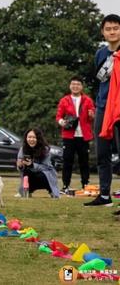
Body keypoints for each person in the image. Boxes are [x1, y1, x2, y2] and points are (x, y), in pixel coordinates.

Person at [85, 14, 120, 209]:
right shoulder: (100, 54)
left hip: (119, 107)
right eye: (108, 28)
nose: (112, 31)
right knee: (102, 152)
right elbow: (98, 81)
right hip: (102, 106)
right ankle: (104, 195)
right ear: (103, 32)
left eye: (116, 28)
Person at [56, 76, 95, 193]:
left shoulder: (87, 100)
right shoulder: (64, 100)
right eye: (73, 84)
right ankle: (65, 185)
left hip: (84, 135)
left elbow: (92, 117)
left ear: (81, 87)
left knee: (84, 161)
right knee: (67, 160)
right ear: (70, 86)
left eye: (78, 84)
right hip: (69, 135)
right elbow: (58, 116)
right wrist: (62, 122)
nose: (75, 86)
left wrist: (92, 115)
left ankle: (85, 184)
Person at [16, 128, 60, 198]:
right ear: (26, 138)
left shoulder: (45, 149)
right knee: (26, 172)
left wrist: (32, 165)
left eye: (34, 137)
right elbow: (20, 169)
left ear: (38, 139)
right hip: (31, 175)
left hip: (45, 176)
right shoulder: (23, 149)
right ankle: (27, 191)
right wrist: (20, 166)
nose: (31, 139)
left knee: (43, 175)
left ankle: (51, 190)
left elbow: (46, 167)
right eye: (29, 137)